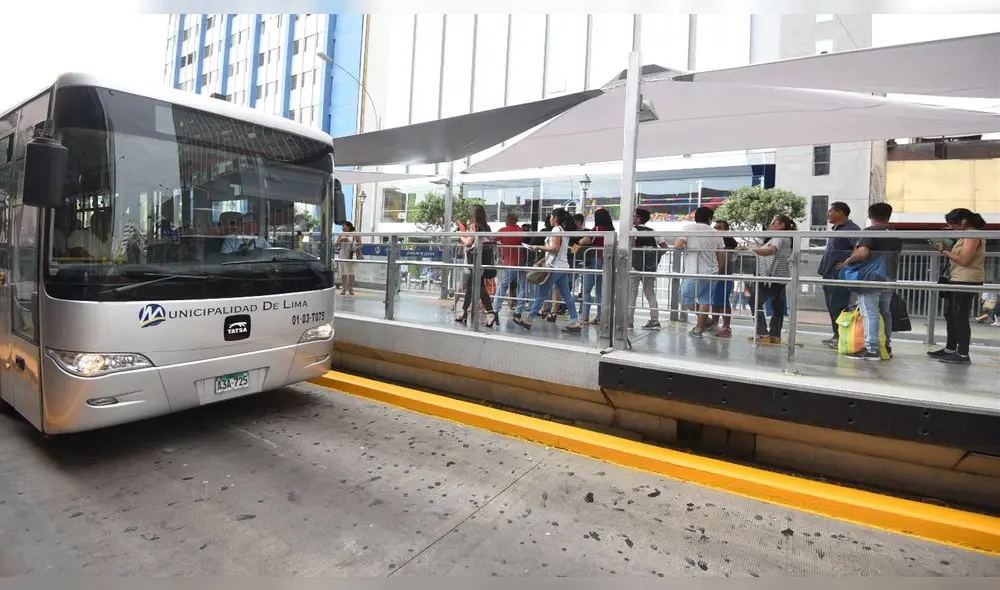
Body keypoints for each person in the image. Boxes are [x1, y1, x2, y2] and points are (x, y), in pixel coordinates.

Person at [835, 203, 902, 360]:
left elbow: (863, 252)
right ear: (888, 215)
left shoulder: (870, 231)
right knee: (885, 311)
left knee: (869, 311)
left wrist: (848, 260)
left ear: (870, 216)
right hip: (890, 277)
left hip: (871, 277)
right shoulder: (894, 233)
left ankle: (872, 349)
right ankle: (886, 345)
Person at [927, 208, 988, 365]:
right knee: (950, 313)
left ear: (963, 221)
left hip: (967, 279)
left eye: (952, 224)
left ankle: (963, 353)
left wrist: (944, 251)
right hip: (957, 278)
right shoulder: (965, 235)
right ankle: (951, 348)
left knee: (960, 315)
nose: (951, 228)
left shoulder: (973, 235)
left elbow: (964, 260)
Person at [514, 208, 582, 333]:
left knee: (541, 294)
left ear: (555, 218)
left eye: (551, 217)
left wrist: (537, 247)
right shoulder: (563, 230)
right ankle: (575, 321)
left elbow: (555, 248)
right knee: (566, 295)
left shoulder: (556, 230)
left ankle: (529, 320)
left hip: (555, 267)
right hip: (563, 267)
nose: (550, 219)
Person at [674, 206, 726, 338]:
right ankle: (699, 328)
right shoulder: (716, 233)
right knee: (705, 301)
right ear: (709, 219)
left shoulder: (687, 228)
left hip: (694, 271)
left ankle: (706, 322)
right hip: (712, 271)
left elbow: (677, 245)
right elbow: (721, 254)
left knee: (684, 296)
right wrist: (719, 269)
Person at [817, 202, 860, 348]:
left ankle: (842, 337)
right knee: (831, 306)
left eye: (830, 212)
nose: (827, 214)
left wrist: (848, 262)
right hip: (829, 273)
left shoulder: (851, 229)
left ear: (840, 213)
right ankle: (837, 335)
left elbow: (859, 247)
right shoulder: (836, 228)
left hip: (840, 275)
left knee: (839, 306)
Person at [455, 205, 498, 327]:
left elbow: (469, 242)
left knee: (477, 286)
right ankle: (465, 312)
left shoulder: (474, 225)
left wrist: (461, 236)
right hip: (484, 260)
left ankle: (490, 313)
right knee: (472, 286)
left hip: (475, 259)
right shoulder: (487, 227)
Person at [629, 208, 668, 330]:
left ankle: (629, 321)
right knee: (650, 292)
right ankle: (655, 320)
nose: (632, 218)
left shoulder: (633, 230)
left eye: (634, 216)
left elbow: (631, 244)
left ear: (639, 218)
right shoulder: (653, 232)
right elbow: (665, 247)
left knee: (632, 293)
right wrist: (654, 256)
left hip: (635, 266)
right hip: (650, 267)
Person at [576, 208, 614, 325]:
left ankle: (585, 317)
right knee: (600, 291)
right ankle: (600, 317)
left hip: (594, 261)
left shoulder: (596, 229)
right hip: (606, 262)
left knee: (586, 290)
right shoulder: (611, 230)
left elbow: (584, 240)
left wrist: (576, 245)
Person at [706, 219, 739, 338]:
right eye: (715, 227)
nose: (717, 229)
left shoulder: (728, 241)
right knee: (715, 300)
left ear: (726, 230)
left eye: (719, 227)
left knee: (724, 301)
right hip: (715, 274)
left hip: (724, 275)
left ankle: (726, 326)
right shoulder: (715, 240)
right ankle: (714, 323)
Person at [493, 212, 528, 320]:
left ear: (508, 220)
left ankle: (495, 309)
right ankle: (518, 310)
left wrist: (499, 257)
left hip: (509, 263)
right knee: (523, 287)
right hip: (521, 262)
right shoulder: (521, 231)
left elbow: (492, 240)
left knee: (503, 286)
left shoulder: (503, 230)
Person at [336, 221, 362, 295]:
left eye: (344, 226)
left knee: (351, 273)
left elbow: (361, 244)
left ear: (348, 227)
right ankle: (344, 289)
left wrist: (354, 247)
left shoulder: (354, 234)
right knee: (343, 272)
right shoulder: (341, 234)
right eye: (342, 226)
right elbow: (336, 244)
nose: (342, 228)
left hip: (351, 254)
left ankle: (351, 289)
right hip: (342, 254)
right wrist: (341, 240)